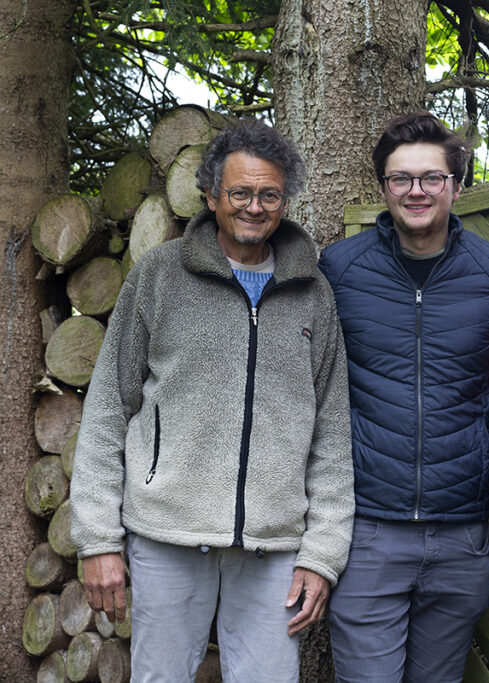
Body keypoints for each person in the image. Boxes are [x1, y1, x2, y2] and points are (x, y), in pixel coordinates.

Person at [70, 119, 354, 682]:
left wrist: (322, 554)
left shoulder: (312, 293)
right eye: (240, 192)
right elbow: (107, 410)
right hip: (167, 536)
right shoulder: (158, 274)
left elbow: (332, 434)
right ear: (211, 196)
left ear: (286, 200)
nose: (254, 206)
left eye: (269, 194)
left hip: (274, 549)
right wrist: (97, 539)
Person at [318, 111, 489, 683]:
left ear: (456, 185)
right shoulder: (341, 269)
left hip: (461, 533)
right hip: (368, 533)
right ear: (383, 187)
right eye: (400, 178)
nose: (416, 191)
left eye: (432, 178)